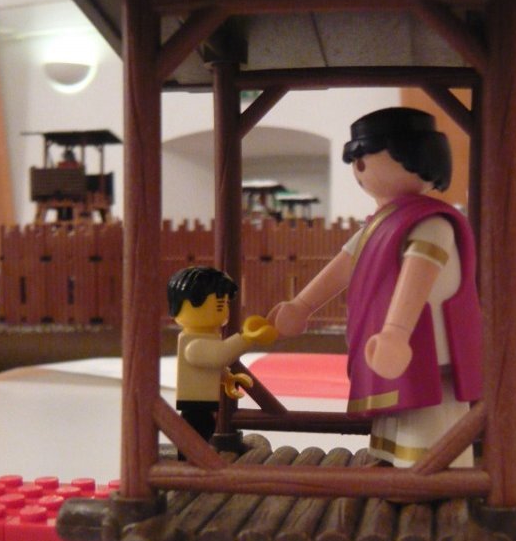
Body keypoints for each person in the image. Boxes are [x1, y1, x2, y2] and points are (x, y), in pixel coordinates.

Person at [270, 107, 483, 467]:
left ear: (417, 156)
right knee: (396, 410)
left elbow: (418, 277)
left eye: (367, 155)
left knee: (429, 409)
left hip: (425, 341)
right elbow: (344, 265)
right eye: (355, 159)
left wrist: (397, 332)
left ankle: (434, 470)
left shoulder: (431, 225)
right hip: (388, 341)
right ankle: (394, 460)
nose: (359, 167)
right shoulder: (380, 224)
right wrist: (302, 305)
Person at [168, 266, 277, 449]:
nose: (224, 310)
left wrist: (228, 378)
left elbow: (212, 364)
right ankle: (190, 460)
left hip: (203, 402)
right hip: (195, 405)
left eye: (225, 304)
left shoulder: (205, 339)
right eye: (219, 305)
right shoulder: (193, 344)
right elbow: (220, 355)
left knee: (204, 431)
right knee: (197, 434)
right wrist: (247, 338)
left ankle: (196, 458)